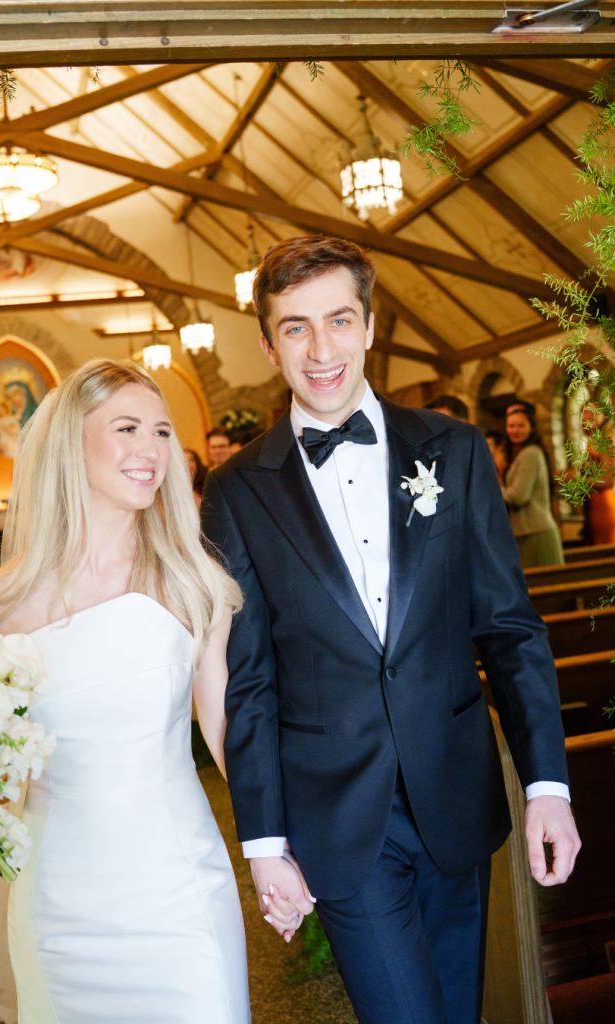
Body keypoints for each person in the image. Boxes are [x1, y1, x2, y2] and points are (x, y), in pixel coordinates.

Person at [201, 235, 579, 1024]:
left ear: (370, 326)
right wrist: (264, 843)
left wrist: (547, 785)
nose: (320, 349)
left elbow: (508, 629)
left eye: (338, 320)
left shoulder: (454, 450)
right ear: (268, 343)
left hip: (455, 793)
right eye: (295, 327)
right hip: (337, 818)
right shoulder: (237, 491)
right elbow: (251, 677)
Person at [0, 360, 250, 1024]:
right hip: (58, 892)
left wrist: (286, 840)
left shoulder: (193, 582)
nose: (149, 450)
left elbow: (224, 732)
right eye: (126, 427)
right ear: (71, 444)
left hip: (176, 881)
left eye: (160, 432)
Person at [502, 405, 565, 568]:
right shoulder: (521, 453)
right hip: (527, 532)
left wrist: (491, 489)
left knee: (544, 588)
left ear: (531, 428)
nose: (515, 430)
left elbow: (518, 496)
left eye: (521, 425)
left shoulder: (530, 453)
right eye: (511, 426)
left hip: (536, 532)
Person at [579, 406, 615, 546]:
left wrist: (576, 480)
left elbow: (607, 481)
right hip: (591, 507)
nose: (587, 416)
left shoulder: (607, 441)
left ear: (603, 416)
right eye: (584, 412)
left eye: (592, 412)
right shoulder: (591, 442)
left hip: (603, 507)